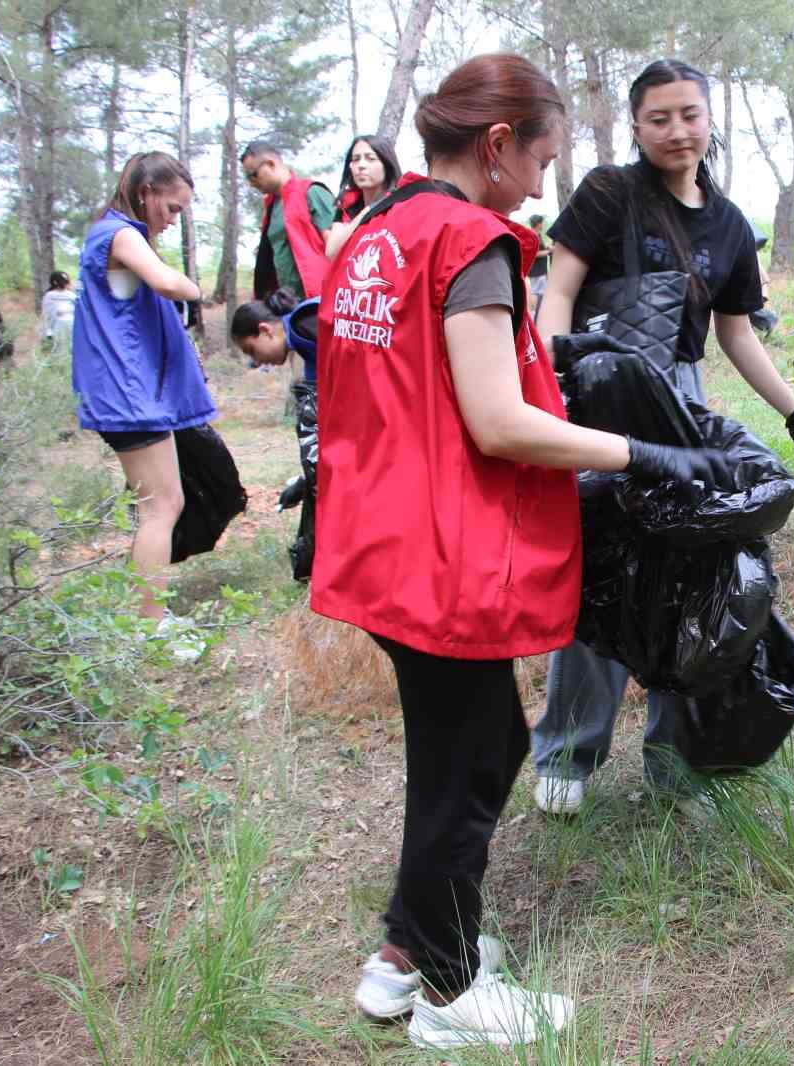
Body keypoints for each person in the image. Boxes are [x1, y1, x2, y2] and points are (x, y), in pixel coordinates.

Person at [311, 53, 734, 1049]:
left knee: (474, 744)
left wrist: (564, 360)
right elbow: (497, 422)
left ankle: (404, 954)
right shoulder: (470, 241)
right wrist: (645, 453)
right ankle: (450, 994)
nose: (543, 185)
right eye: (541, 160)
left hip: (373, 531)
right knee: (469, 760)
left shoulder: (378, 231)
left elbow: (404, 374)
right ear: (498, 145)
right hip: (436, 543)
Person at [531, 58, 794, 817]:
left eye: (689, 114)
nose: (676, 130)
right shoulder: (608, 193)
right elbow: (558, 293)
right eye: (659, 118)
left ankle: (675, 763)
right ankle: (569, 751)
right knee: (600, 572)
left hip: (681, 403)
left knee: (693, 578)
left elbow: (737, 334)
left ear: (709, 118)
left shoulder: (728, 224)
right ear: (636, 126)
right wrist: (550, 382)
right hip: (598, 393)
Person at [71, 151, 216, 623]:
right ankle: (149, 627)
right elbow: (166, 283)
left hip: (131, 392)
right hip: (128, 395)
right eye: (171, 208)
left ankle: (148, 619)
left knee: (161, 504)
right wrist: (196, 289)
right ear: (145, 192)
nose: (173, 220)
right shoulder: (120, 234)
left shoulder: (113, 233)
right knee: (161, 507)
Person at [229, 290, 320, 580]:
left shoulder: (305, 322)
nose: (256, 361)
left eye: (251, 350)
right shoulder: (302, 342)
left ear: (265, 330)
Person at [242, 140, 335, 301]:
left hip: (321, 299)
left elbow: (339, 248)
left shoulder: (312, 192)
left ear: (270, 164)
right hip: (288, 304)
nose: (251, 183)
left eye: (253, 175)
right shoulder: (271, 206)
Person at [324, 134, 402, 259]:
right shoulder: (347, 206)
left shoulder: (401, 205)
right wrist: (366, 212)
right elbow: (331, 252)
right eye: (355, 159)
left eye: (370, 158)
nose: (361, 165)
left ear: (387, 164)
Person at [41, 271, 76, 351]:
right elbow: (48, 314)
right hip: (57, 327)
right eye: (63, 282)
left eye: (66, 282)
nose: (65, 284)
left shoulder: (71, 295)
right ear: (55, 283)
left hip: (71, 326)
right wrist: (49, 330)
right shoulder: (50, 296)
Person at [525, 213, 551, 317]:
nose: (542, 224)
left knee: (541, 292)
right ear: (538, 224)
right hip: (536, 271)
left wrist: (547, 248)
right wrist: (548, 252)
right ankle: (534, 314)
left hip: (541, 270)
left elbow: (540, 248)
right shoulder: (532, 235)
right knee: (537, 292)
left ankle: (538, 313)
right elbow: (534, 253)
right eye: (541, 223)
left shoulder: (537, 235)